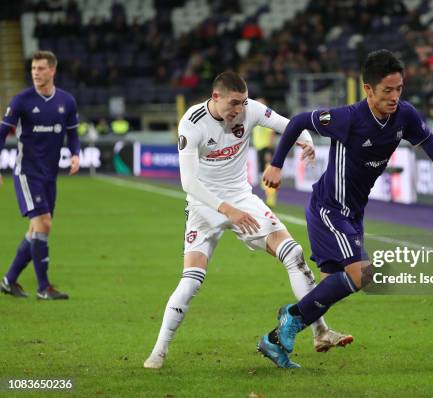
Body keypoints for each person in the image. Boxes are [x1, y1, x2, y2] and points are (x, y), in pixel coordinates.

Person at [257, 50, 433, 367]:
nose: (394, 97)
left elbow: (426, 137)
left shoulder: (404, 115)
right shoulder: (348, 118)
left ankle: (276, 340)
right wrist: (277, 164)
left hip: (353, 213)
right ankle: (292, 317)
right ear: (368, 89)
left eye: (399, 89)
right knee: (363, 274)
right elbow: (297, 122)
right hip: (329, 209)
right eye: (387, 90)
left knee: (332, 285)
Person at [143, 72, 351, 370]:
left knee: (293, 253)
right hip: (205, 205)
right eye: (234, 103)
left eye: (243, 103)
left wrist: (304, 140)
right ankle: (159, 351)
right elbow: (189, 182)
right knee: (191, 281)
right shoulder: (192, 122)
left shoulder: (250, 109)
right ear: (216, 97)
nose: (239, 110)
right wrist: (226, 210)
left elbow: (288, 125)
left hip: (242, 198)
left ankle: (320, 331)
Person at [0, 50, 80, 300]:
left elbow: (73, 133)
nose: (36, 72)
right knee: (43, 223)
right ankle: (44, 287)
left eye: (41, 68)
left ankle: (8, 280)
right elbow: (2, 134)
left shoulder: (66, 101)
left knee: (36, 230)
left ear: (52, 70)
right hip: (27, 173)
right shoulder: (21, 100)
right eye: (33, 68)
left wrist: (75, 153)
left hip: (49, 176)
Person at [251, 97, 277, 207]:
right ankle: (268, 197)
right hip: (259, 149)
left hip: (266, 149)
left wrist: (269, 151)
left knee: (269, 174)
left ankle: (271, 199)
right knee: (264, 174)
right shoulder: (256, 119)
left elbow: (272, 134)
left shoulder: (267, 117)